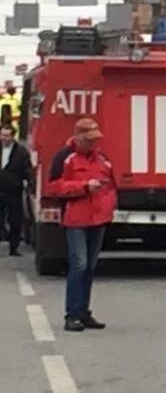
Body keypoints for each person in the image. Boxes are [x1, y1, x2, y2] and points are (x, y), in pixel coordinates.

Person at [44, 118, 116, 332]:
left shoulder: (103, 159)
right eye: (89, 139)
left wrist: (109, 205)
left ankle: (83, 312)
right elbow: (54, 187)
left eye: (95, 139)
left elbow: (111, 184)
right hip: (76, 219)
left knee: (90, 267)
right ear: (78, 137)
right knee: (80, 265)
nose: (93, 143)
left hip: (98, 219)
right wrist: (83, 187)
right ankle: (72, 314)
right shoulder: (64, 158)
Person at [0, 125, 33, 255]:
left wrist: (29, 183)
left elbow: (27, 170)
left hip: (14, 189)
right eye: (2, 135)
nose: (4, 138)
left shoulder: (21, 152)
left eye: (7, 136)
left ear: (13, 136)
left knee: (15, 219)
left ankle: (14, 247)